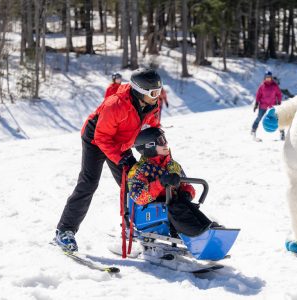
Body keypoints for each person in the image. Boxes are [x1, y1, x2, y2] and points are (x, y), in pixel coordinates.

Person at [54, 69, 164, 252]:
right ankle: (64, 231)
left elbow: (152, 127)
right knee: (88, 183)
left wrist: (158, 150)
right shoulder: (115, 105)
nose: (157, 97)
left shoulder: (151, 105)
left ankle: (133, 225)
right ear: (140, 91)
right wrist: (121, 157)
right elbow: (102, 137)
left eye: (159, 92)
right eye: (154, 93)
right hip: (95, 139)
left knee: (134, 181)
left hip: (120, 141)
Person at [128, 127, 216, 237]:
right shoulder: (139, 170)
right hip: (152, 210)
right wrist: (160, 183)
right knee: (175, 206)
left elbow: (187, 185)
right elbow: (138, 197)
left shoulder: (173, 165)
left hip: (174, 205)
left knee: (185, 204)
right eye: (161, 140)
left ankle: (207, 227)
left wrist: (187, 193)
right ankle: (197, 233)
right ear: (149, 146)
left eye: (164, 138)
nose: (166, 143)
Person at [251, 71, 282, 140]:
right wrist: (256, 104)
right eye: (266, 77)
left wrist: (279, 102)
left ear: (271, 78)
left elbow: (279, 94)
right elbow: (258, 95)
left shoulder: (274, 86)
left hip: (272, 106)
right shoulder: (262, 86)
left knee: (278, 118)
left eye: (269, 77)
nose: (268, 79)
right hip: (263, 106)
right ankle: (253, 130)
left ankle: (282, 133)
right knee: (259, 118)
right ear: (264, 78)